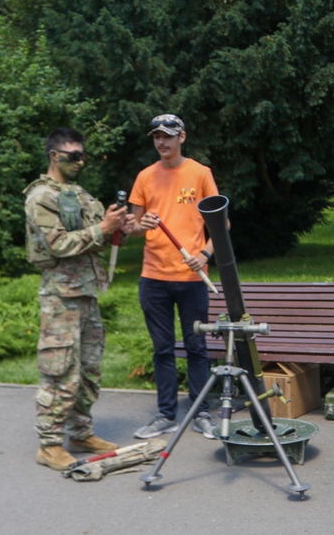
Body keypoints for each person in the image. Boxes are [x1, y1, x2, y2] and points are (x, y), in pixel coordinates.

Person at [24, 127, 134, 471]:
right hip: (61, 296)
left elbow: (94, 241)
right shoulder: (41, 196)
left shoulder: (79, 194)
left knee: (88, 369)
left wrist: (118, 228)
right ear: (55, 156)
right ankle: (49, 443)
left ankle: (80, 432)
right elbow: (59, 244)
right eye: (74, 156)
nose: (81, 161)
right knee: (60, 371)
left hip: (86, 291)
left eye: (83, 155)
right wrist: (103, 228)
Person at [128, 114, 219, 440]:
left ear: (182, 136)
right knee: (162, 348)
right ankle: (166, 414)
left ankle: (201, 412)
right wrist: (140, 226)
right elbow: (133, 228)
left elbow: (222, 227)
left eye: (168, 136)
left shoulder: (200, 173)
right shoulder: (145, 177)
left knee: (196, 347)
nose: (162, 142)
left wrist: (205, 255)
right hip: (153, 278)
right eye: (157, 137)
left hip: (192, 278)